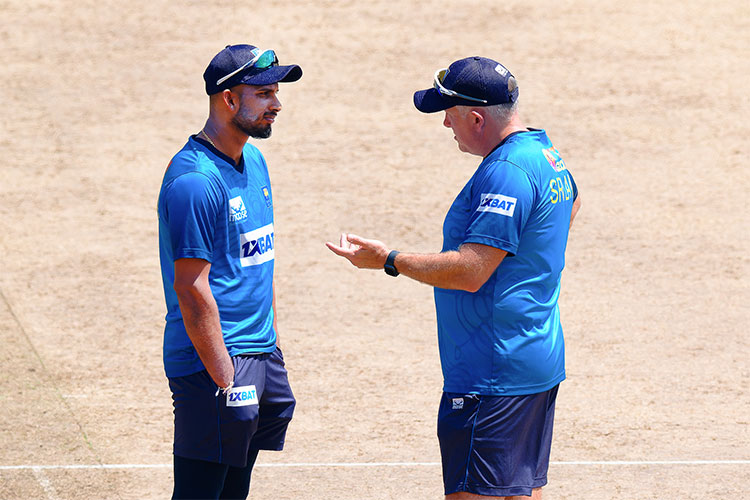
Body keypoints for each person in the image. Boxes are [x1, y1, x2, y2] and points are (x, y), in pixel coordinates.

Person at [326, 56, 580, 499]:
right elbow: (571, 204)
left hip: (491, 373)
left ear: (477, 118)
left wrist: (390, 259)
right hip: (534, 359)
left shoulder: (506, 172)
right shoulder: (543, 153)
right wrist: (531, 264)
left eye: (450, 113)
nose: (445, 124)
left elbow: (471, 271)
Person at [157, 44, 302, 499]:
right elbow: (191, 287)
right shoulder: (195, 182)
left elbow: (260, 259)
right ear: (228, 99)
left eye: (275, 91)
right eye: (263, 93)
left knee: (235, 490)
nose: (276, 104)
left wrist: (272, 346)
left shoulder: (254, 160)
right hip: (213, 362)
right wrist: (226, 377)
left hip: (258, 353)